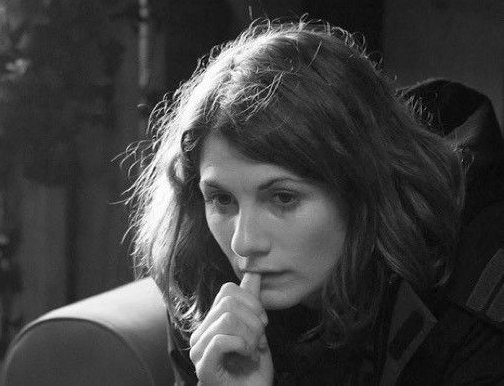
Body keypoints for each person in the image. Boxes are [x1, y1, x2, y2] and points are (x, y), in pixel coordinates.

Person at [127, 20, 504, 384]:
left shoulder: (476, 290)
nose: (244, 243)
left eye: (283, 198)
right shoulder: (204, 278)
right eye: (222, 200)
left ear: (364, 187)